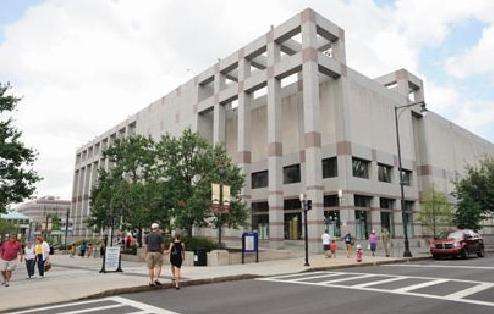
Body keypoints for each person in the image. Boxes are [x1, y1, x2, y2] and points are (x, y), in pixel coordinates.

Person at [144, 223, 164, 287]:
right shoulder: (160, 236)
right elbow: (162, 245)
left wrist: (146, 253)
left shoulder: (147, 236)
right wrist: (162, 252)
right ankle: (156, 279)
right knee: (158, 266)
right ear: (157, 228)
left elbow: (146, 246)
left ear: (152, 228)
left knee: (150, 268)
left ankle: (151, 281)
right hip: (157, 252)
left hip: (150, 252)